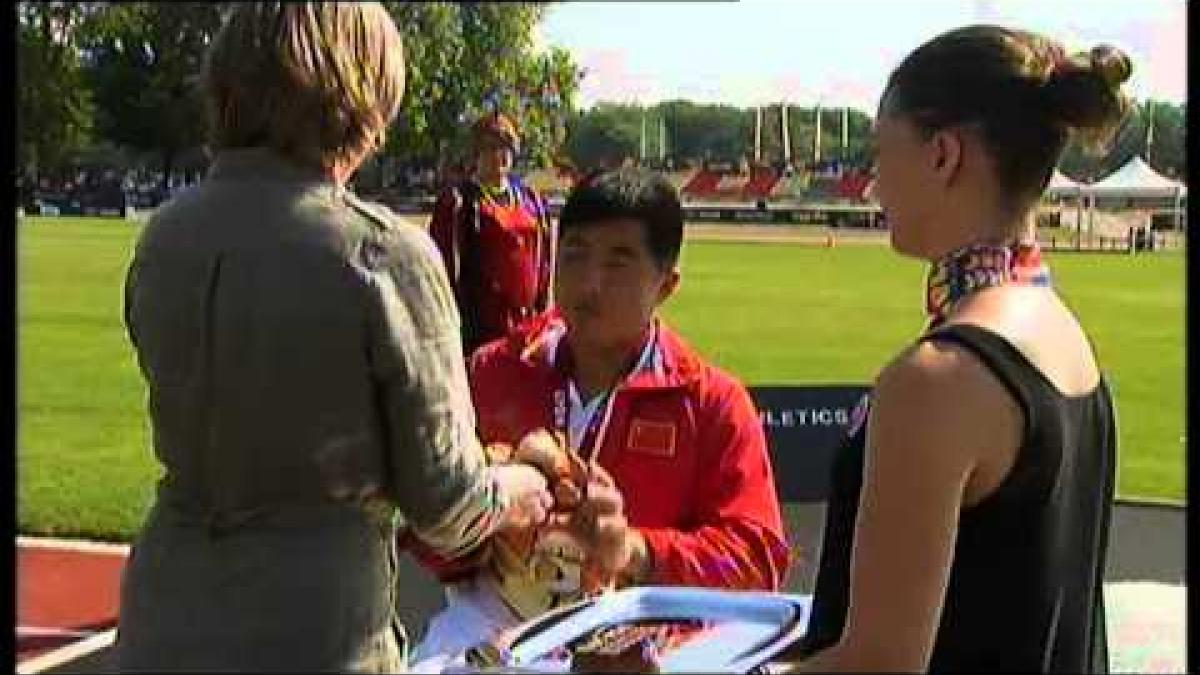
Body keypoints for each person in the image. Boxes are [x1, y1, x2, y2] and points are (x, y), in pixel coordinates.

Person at [115, 4, 551, 672]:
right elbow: (447, 503)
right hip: (315, 630)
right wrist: (522, 482)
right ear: (361, 91)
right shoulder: (380, 255)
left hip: (160, 614)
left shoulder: (164, 235)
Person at [775, 25, 1126, 673]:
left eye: (883, 153)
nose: (875, 185)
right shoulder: (1067, 338)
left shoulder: (937, 377)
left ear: (942, 155)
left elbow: (879, 662)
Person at [406, 169, 791, 671]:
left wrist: (636, 551)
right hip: (489, 634)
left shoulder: (711, 402)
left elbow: (757, 563)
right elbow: (424, 532)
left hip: (635, 651)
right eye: (576, 254)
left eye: (619, 262)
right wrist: (483, 524)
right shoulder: (493, 371)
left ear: (666, 284)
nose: (590, 283)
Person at [428, 112, 555, 359]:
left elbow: (545, 264)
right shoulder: (459, 204)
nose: (501, 154)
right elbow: (442, 271)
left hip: (526, 329)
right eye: (492, 147)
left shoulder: (532, 202)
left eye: (507, 146)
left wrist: (542, 317)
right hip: (478, 333)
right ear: (477, 153)